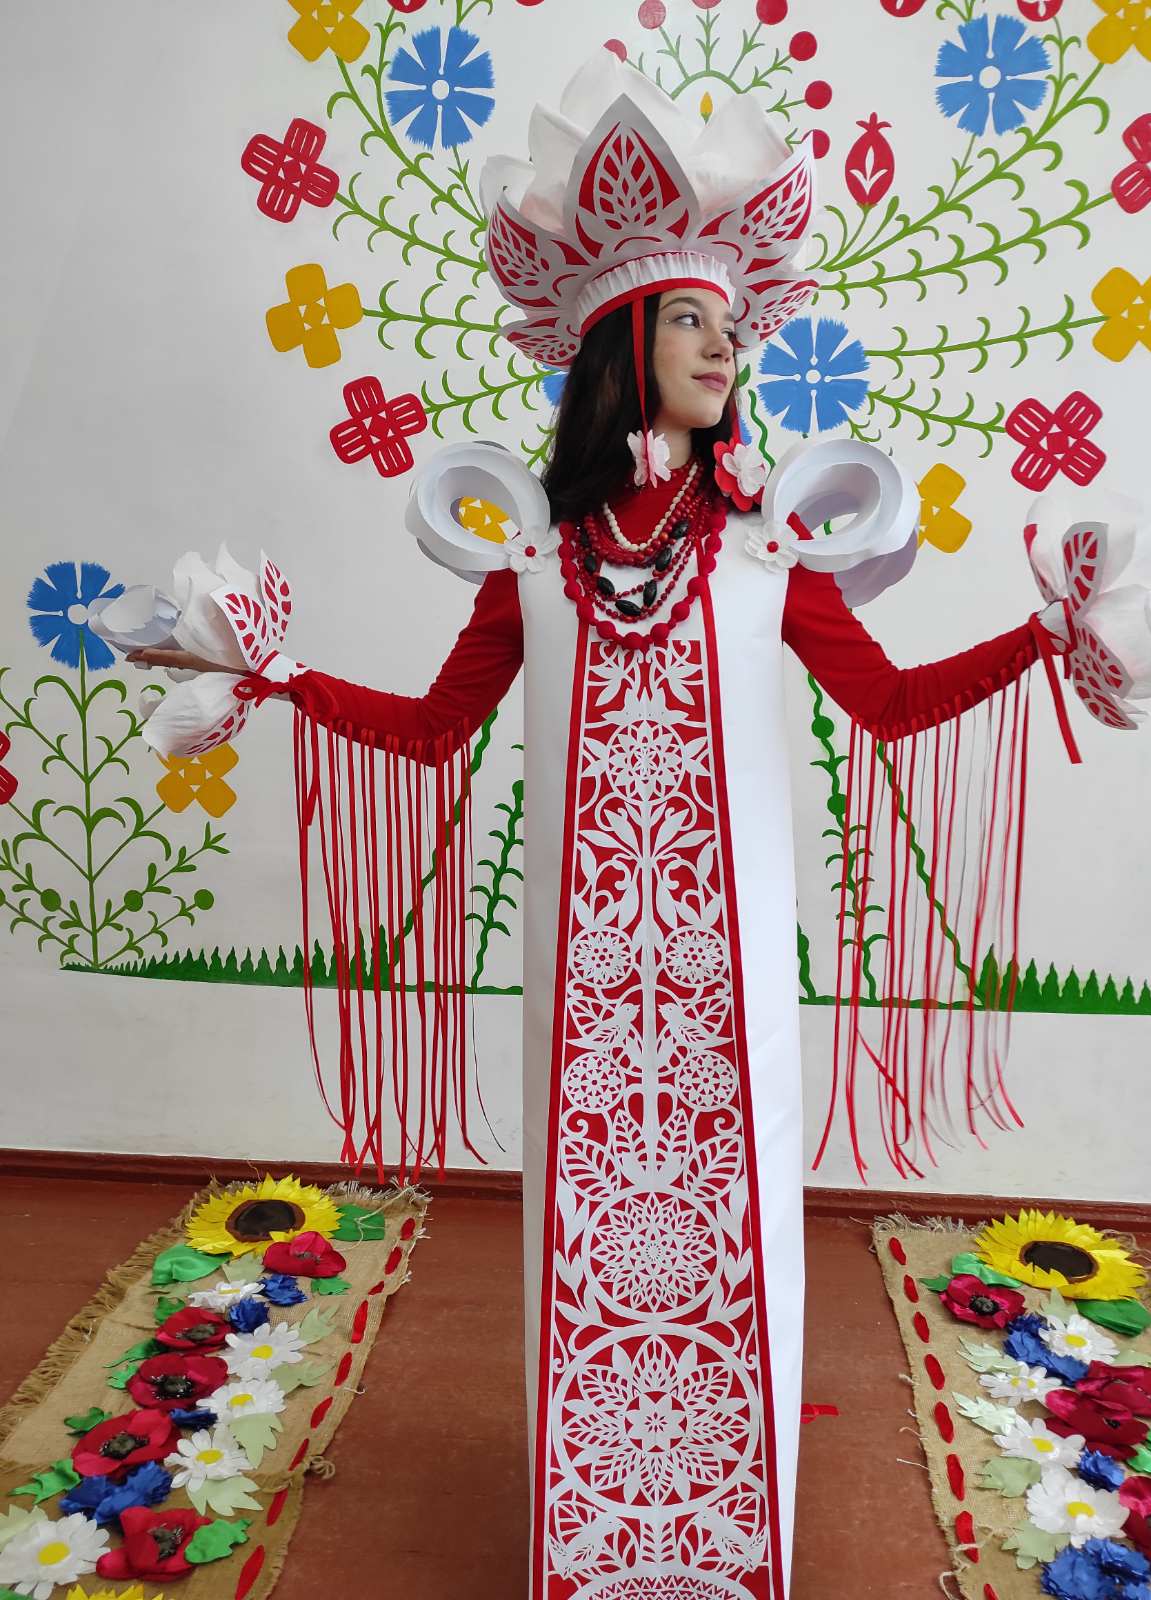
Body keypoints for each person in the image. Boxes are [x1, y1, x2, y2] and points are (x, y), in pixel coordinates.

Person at [129, 57, 1071, 1600]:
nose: (722, 347)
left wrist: (1044, 639)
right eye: (690, 320)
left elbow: (891, 707)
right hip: (578, 1007)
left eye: (728, 325)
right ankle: (594, 1543)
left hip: (727, 1003)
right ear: (624, 343)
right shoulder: (536, 564)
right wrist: (275, 679)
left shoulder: (769, 551)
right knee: (580, 1250)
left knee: (738, 1244)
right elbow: (431, 731)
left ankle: (726, 1550)